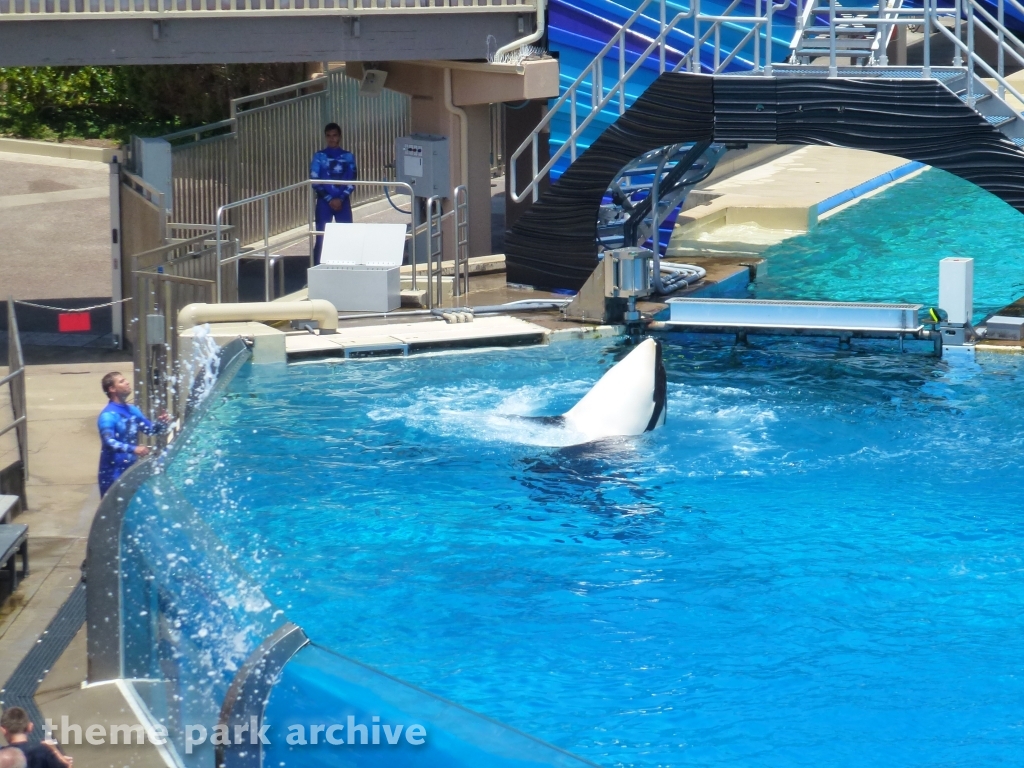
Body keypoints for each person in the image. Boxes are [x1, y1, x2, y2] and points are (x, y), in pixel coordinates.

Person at [97, 372, 169, 496]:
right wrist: (134, 449)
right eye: (121, 381)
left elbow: (150, 430)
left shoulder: (133, 410)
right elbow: (109, 442)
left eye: (125, 380)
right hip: (112, 474)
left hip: (130, 470)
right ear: (112, 389)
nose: (127, 382)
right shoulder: (107, 416)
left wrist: (161, 423)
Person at [310, 122, 357, 265]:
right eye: (329, 136)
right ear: (325, 137)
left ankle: (347, 267)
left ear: (340, 137)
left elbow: (353, 180)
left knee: (346, 236)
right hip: (324, 202)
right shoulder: (319, 156)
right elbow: (314, 180)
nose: (332, 139)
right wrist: (330, 199)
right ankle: (317, 268)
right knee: (321, 236)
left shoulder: (348, 156)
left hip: (343, 202)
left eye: (334, 135)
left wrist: (341, 198)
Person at [0, 708, 70, 768]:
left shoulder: (3, 755)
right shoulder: (44, 750)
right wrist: (55, 751)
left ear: (3, 730)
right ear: (30, 727)